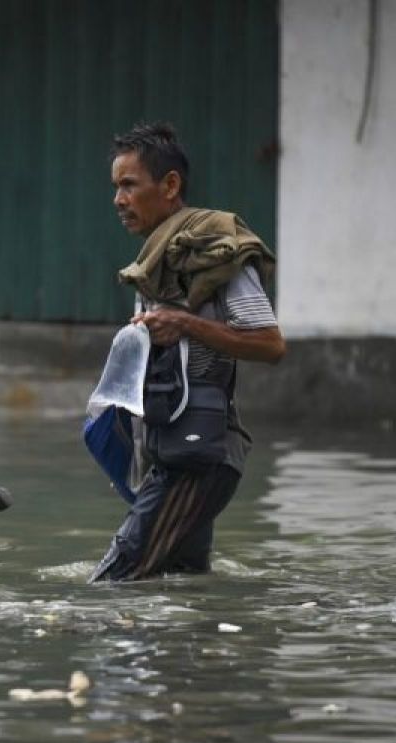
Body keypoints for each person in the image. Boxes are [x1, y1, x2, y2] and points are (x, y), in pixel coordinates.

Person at [91, 122, 285, 581]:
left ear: (170, 185)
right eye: (116, 187)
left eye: (129, 186)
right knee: (183, 585)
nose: (119, 200)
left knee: (114, 580)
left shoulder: (218, 253)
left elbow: (271, 345)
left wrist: (185, 323)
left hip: (199, 457)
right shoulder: (154, 265)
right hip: (172, 451)